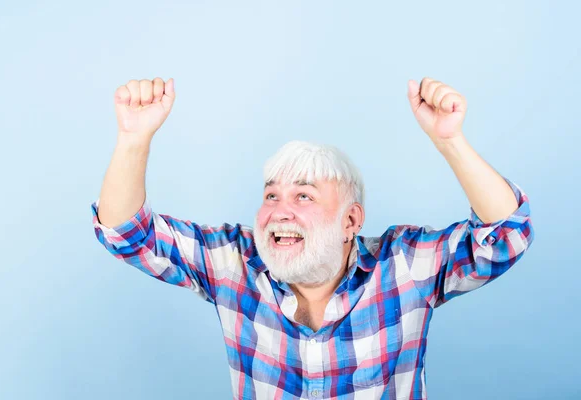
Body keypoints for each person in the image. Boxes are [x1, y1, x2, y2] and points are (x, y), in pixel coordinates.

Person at [91, 76, 534, 400]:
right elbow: (127, 234)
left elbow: (507, 234)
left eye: (304, 195)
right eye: (271, 195)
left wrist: (450, 141)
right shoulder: (233, 261)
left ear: (350, 221)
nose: (279, 210)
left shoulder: (404, 266)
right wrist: (133, 139)